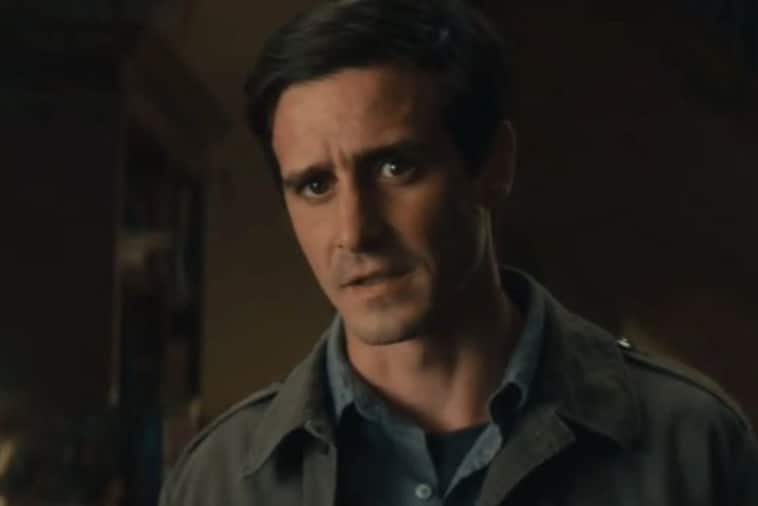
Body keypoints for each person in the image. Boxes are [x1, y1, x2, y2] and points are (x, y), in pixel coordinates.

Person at [159, 1, 758, 504]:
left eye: (395, 167)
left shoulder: (691, 445)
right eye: (316, 185)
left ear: (494, 167)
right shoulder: (219, 481)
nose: (355, 231)